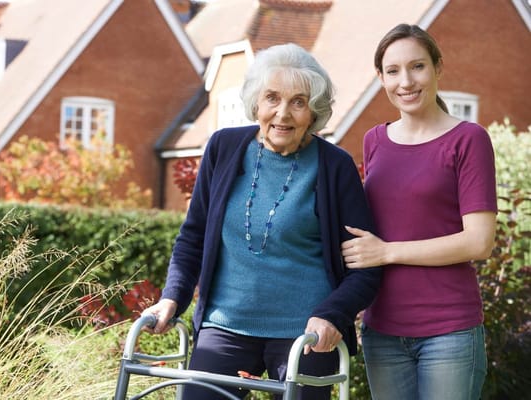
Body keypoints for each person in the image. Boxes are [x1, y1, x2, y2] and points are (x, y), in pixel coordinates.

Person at [142, 43, 382, 400]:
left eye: (298, 102)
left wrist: (333, 315)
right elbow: (192, 237)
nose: (282, 113)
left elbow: (366, 268)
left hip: (306, 333)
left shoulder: (335, 166)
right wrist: (171, 297)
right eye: (272, 98)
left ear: (313, 111)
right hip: (225, 326)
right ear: (256, 101)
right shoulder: (223, 148)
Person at [340, 24, 497, 400]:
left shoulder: (468, 140)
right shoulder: (374, 140)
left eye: (417, 67)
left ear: (438, 68)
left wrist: (388, 251)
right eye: (392, 71)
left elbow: (479, 241)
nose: (405, 81)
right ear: (380, 78)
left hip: (450, 331)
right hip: (382, 330)